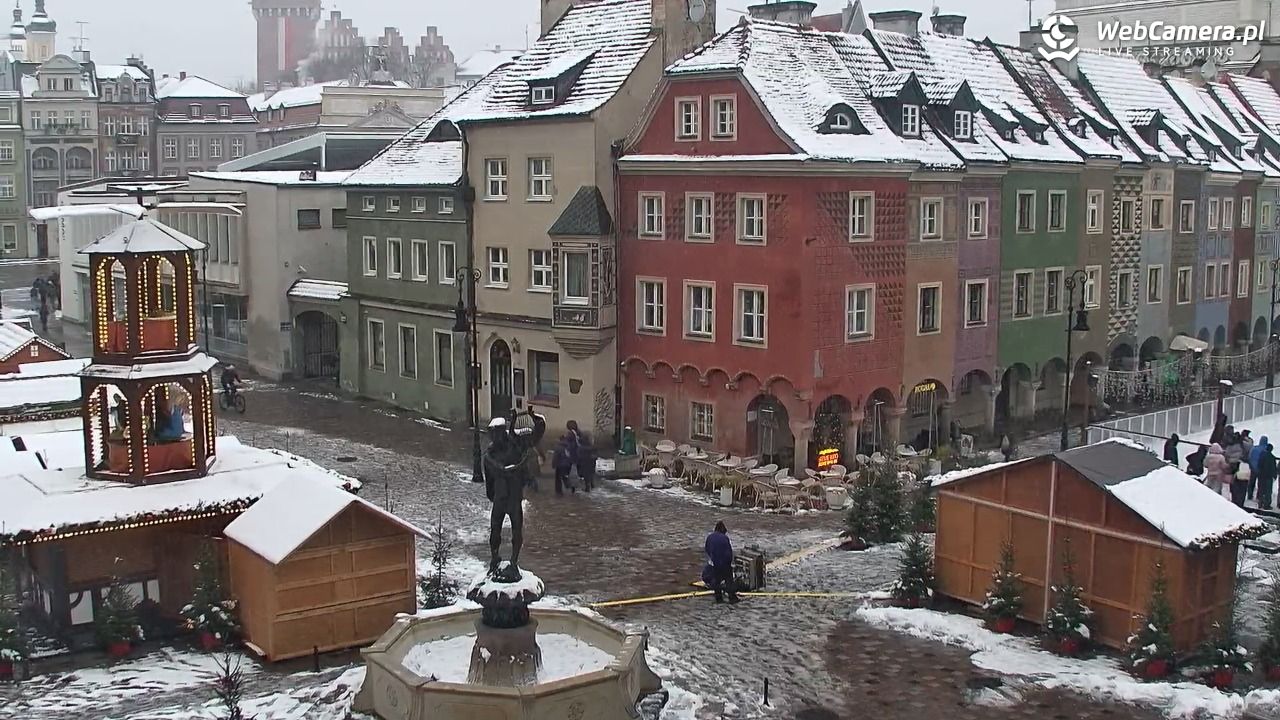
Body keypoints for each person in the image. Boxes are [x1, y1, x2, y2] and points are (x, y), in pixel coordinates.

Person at [704, 521, 738, 604]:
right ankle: (732, 598)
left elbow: (707, 549)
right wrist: (730, 563)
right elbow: (729, 552)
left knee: (716, 581)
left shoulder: (710, 537)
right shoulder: (724, 538)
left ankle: (719, 599)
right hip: (725, 563)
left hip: (715, 563)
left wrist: (713, 559)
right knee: (729, 581)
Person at [568, 420, 596, 492]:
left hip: (583, 458)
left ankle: (586, 486)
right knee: (587, 473)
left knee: (583, 473)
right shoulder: (576, 434)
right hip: (585, 458)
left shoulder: (578, 436)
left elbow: (575, 446)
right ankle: (590, 484)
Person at [1250, 435, 1270, 500]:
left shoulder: (1255, 448)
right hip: (1261, 469)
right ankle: (1259, 496)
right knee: (1261, 484)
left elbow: (1250, 457)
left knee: (1251, 482)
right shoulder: (1266, 449)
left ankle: (1250, 495)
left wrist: (1251, 465)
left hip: (1253, 468)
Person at [1260, 443, 1278, 510]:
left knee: (1262, 489)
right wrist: (1275, 476)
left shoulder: (1262, 456)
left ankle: (1260, 503)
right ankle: (1266, 505)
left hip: (1262, 475)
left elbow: (1260, 465)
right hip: (1269, 477)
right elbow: (1274, 468)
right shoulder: (1272, 457)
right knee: (1268, 491)